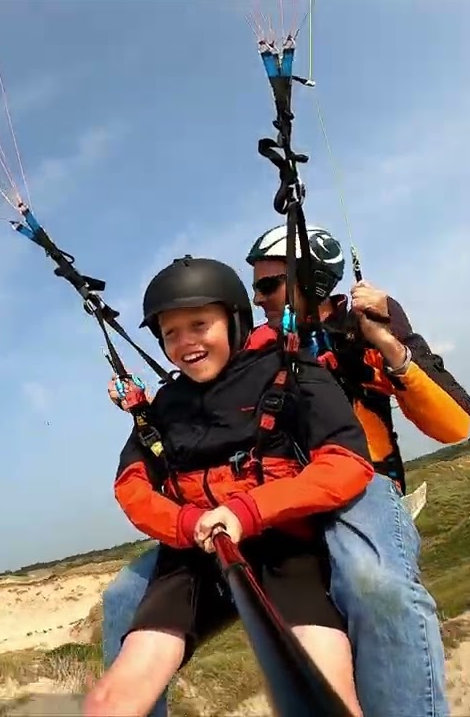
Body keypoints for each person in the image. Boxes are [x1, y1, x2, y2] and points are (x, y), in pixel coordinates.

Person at [101, 224, 470, 717]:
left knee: (374, 584)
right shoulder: (258, 348)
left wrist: (391, 343)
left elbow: (454, 425)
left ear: (312, 281)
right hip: (268, 500)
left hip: (358, 486)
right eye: (254, 288)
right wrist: (161, 416)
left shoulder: (356, 335)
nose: (259, 298)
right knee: (124, 597)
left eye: (269, 285)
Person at [83, 255, 374, 717]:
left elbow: (346, 462)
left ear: (235, 320)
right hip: (194, 556)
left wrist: (248, 511)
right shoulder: (166, 406)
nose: (185, 343)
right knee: (109, 702)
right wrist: (187, 523)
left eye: (199, 325)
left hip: (283, 549)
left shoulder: (289, 371)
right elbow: (132, 486)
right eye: (170, 333)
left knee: (325, 690)